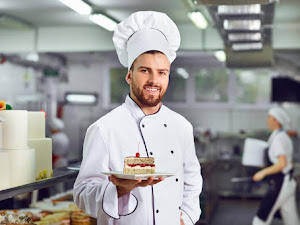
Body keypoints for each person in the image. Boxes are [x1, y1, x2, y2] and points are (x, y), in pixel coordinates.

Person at [73, 11, 202, 225]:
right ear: (129, 75)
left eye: (162, 72)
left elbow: (192, 181)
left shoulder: (182, 126)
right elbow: (82, 193)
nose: (154, 80)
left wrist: (184, 219)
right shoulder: (105, 129)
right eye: (145, 70)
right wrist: (118, 189)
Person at [252, 106, 300, 225]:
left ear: (276, 121)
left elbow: (282, 164)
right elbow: (289, 162)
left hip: (281, 183)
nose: (267, 120)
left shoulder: (278, 139)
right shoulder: (283, 136)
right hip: (288, 182)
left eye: (269, 117)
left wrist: (262, 172)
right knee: (291, 218)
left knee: (261, 217)